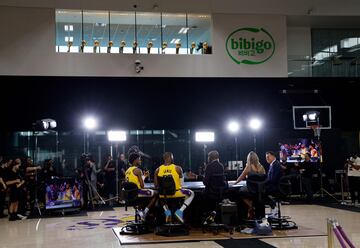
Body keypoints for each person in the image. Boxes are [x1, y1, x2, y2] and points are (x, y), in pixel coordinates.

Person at [154, 152, 194, 224]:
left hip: (163, 194)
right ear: (171, 157)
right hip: (176, 193)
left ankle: (167, 212)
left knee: (159, 196)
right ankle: (180, 211)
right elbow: (181, 185)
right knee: (191, 193)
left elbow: (156, 185)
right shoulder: (178, 168)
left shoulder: (157, 170)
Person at [125, 153, 157, 221]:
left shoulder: (127, 171)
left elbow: (134, 182)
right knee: (156, 193)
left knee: (148, 193)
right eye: (139, 160)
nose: (140, 161)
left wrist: (144, 176)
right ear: (135, 160)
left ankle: (140, 210)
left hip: (131, 194)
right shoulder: (138, 170)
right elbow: (142, 185)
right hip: (138, 193)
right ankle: (144, 212)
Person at [234, 151, 266, 218]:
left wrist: (235, 183)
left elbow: (241, 177)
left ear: (248, 159)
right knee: (249, 195)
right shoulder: (261, 167)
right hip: (260, 191)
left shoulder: (248, 167)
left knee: (238, 192)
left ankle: (251, 206)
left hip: (251, 190)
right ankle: (251, 210)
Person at [265, 151, 283, 216]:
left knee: (260, 192)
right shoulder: (273, 164)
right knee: (260, 190)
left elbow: (273, 179)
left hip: (275, 187)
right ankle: (273, 207)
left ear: (273, 156)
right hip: (272, 185)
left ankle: (274, 207)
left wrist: (263, 183)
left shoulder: (276, 165)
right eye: (266, 157)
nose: (267, 159)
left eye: (268, 157)